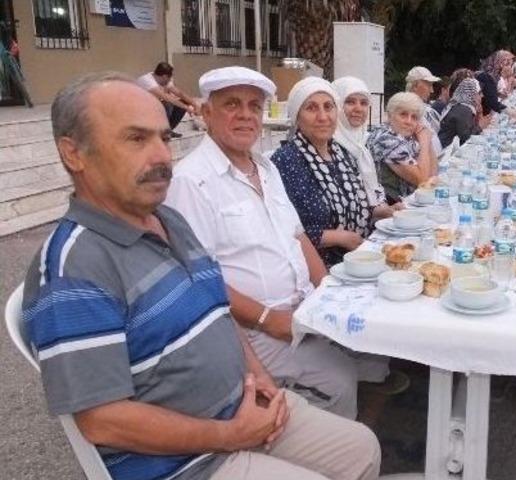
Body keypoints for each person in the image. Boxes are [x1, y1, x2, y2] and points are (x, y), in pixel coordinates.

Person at [24, 71, 381, 480]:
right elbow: (102, 421)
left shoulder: (167, 221)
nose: (160, 155)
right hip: (189, 460)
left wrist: (261, 381)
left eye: (164, 137)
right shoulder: (74, 265)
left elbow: (218, 310)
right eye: (136, 139)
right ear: (74, 154)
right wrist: (228, 434)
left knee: (362, 450)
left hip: (242, 404)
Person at [165, 67, 374, 420]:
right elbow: (198, 279)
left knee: (365, 341)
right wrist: (267, 318)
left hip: (302, 311)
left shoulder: (265, 168)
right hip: (253, 330)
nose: (245, 114)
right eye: (232, 104)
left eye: (254, 106)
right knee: (339, 379)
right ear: (206, 112)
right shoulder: (190, 181)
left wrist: (326, 290)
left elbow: (297, 235)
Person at [271, 77, 393, 267]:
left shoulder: (341, 153)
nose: (323, 117)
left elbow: (355, 204)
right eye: (311, 108)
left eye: (328, 107)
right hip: (319, 268)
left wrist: (387, 211)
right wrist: (338, 237)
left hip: (358, 259)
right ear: (297, 116)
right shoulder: (286, 160)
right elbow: (282, 230)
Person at [367, 92, 438, 202]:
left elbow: (432, 176)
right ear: (390, 115)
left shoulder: (405, 136)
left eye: (414, 117)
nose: (409, 121)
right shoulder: (386, 139)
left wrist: (427, 141)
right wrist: (424, 141)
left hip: (410, 202)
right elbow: (423, 181)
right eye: (403, 114)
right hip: (390, 209)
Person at [332, 76, 387, 208]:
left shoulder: (364, 140)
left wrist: (385, 207)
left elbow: (375, 188)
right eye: (350, 102)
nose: (358, 109)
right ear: (336, 105)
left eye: (364, 103)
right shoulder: (328, 145)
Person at [137, 62, 198, 137]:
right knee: (167, 104)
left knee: (182, 103)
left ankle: (167, 131)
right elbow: (167, 98)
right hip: (139, 111)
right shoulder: (147, 81)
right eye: (169, 78)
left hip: (153, 108)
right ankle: (161, 132)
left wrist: (194, 104)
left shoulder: (163, 80)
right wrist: (187, 108)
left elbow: (179, 93)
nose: (170, 80)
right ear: (164, 76)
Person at [476, 50, 516, 121]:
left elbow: (489, 91)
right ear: (500, 64)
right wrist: (512, 112)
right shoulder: (488, 76)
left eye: (511, 65)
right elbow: (493, 102)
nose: (511, 68)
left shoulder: (492, 75)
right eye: (508, 65)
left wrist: (499, 94)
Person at [405, 66, 444, 154]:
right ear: (415, 86)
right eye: (429, 85)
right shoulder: (408, 110)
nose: (432, 91)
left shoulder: (422, 107)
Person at [438, 77, 482, 148]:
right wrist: (480, 127)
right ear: (471, 93)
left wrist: (478, 115)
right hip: (444, 151)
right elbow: (466, 137)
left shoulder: (460, 105)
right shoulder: (463, 108)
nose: (482, 96)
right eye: (479, 93)